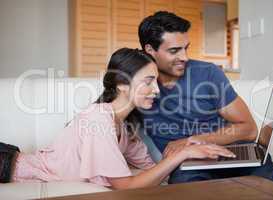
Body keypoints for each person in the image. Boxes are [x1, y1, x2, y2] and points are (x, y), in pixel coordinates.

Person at [0, 48, 235, 189]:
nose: (156, 90)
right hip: (8, 167)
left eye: (156, 81)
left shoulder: (126, 125)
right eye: (148, 81)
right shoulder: (98, 119)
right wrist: (183, 154)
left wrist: (189, 145)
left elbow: (152, 171)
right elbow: (127, 187)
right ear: (122, 84)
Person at [138, 11, 273, 184]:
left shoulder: (207, 73)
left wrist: (192, 141)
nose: (184, 57)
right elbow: (107, 112)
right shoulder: (133, 80)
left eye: (186, 48)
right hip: (188, 164)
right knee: (186, 188)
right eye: (174, 50)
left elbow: (249, 129)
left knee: (270, 179)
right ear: (150, 50)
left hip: (231, 152)